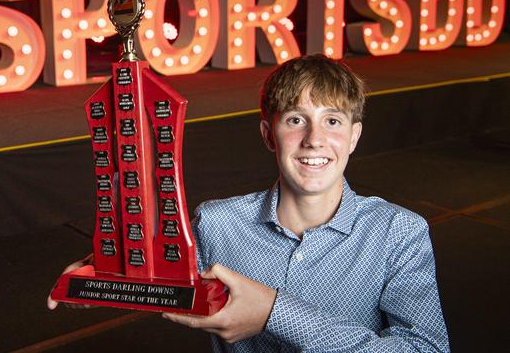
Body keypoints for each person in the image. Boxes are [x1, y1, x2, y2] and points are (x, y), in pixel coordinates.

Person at [49, 55, 450, 352]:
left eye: (332, 121)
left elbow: (427, 350)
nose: (314, 139)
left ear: (354, 136)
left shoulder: (399, 232)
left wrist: (275, 312)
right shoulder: (216, 224)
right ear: (268, 134)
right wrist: (103, 274)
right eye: (295, 120)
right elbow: (160, 263)